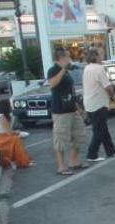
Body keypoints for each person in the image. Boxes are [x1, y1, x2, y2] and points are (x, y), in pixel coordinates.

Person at [47, 47, 88, 175]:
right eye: (68, 57)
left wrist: (78, 107)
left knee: (79, 135)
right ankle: (61, 166)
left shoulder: (67, 72)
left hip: (71, 108)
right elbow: (52, 84)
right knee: (60, 139)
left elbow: (71, 90)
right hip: (60, 111)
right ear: (62, 58)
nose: (70, 59)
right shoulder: (53, 70)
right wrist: (63, 69)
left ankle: (74, 160)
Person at [82, 48, 115, 162]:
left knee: (102, 128)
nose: (102, 56)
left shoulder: (87, 67)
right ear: (96, 56)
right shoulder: (99, 68)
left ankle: (111, 150)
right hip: (98, 102)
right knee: (99, 130)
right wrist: (114, 97)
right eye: (101, 54)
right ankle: (91, 154)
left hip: (89, 102)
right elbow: (107, 86)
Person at [0, 100, 34, 169]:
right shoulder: (1, 117)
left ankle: (20, 160)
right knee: (15, 140)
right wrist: (18, 132)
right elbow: (9, 133)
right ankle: (23, 162)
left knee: (14, 139)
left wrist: (15, 132)